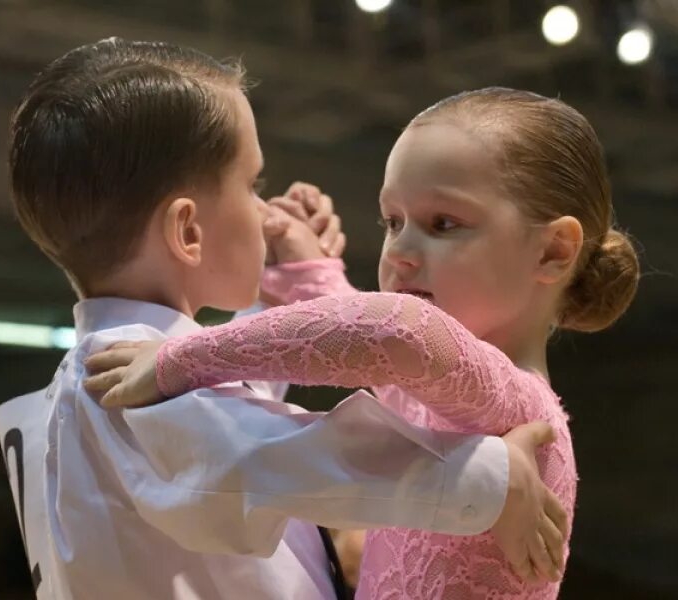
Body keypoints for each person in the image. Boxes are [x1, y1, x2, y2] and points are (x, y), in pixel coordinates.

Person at [0, 38, 566, 600]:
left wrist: (288, 295)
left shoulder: (110, 370)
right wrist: (493, 479)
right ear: (188, 232)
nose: (265, 210)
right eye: (252, 185)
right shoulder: (131, 386)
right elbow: (290, 457)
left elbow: (230, 416)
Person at [85, 87, 640, 598]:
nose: (399, 250)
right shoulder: (461, 396)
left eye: (443, 223)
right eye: (392, 221)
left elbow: (394, 333)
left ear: (552, 252)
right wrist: (307, 265)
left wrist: (181, 358)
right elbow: (391, 357)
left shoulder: (521, 409)